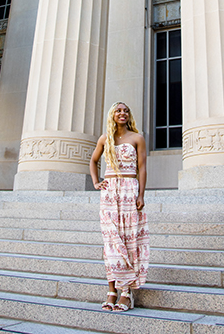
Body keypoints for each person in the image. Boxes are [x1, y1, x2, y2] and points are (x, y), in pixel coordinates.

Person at [90, 102, 150, 311]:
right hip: (109, 192)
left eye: (125, 110)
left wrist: (141, 194)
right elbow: (93, 161)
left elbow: (142, 168)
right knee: (111, 241)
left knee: (128, 239)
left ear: (129, 115)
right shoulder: (104, 138)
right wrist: (96, 182)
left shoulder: (137, 138)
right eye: (118, 110)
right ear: (112, 115)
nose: (122, 113)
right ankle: (111, 290)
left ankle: (126, 292)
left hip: (128, 189)